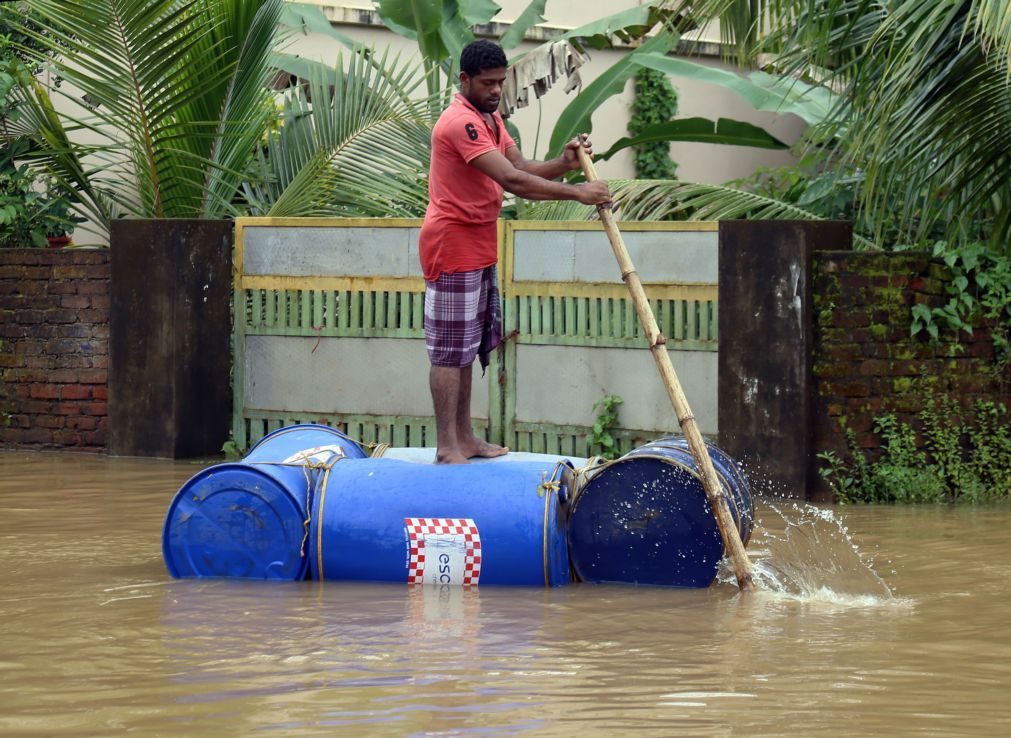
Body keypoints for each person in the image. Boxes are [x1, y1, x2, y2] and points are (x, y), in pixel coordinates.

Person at [420, 39, 612, 464]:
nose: (495, 91)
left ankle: (465, 437)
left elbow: (522, 167)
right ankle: (447, 444)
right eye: (487, 83)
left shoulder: (490, 119)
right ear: (465, 80)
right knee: (450, 351)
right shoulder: (460, 123)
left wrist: (564, 164)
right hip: (451, 244)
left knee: (468, 347)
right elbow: (513, 182)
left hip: (480, 243)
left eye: (501, 83)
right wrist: (579, 192)